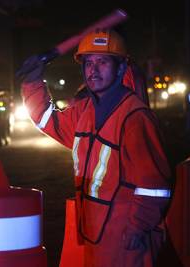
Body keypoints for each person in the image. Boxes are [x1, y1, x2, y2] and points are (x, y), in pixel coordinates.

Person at [18, 29, 172, 267]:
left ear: (121, 68)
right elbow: (48, 120)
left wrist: (138, 225)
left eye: (102, 62)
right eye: (88, 63)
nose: (93, 69)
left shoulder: (134, 118)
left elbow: (154, 185)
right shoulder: (85, 111)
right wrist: (33, 82)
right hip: (94, 232)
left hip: (126, 238)